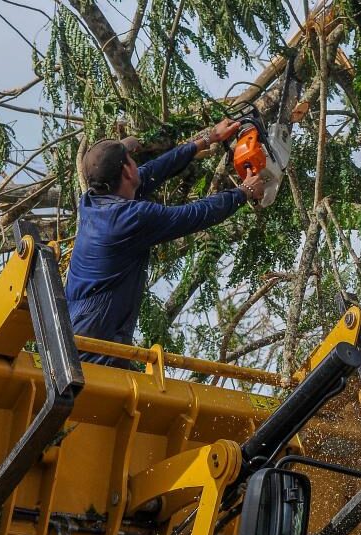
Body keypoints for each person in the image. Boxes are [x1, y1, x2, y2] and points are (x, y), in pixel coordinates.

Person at [65, 120, 266, 368]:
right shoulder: (128, 220)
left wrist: (207, 139)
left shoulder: (94, 201)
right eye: (131, 158)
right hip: (95, 349)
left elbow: (153, 171)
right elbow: (194, 215)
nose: (137, 163)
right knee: (147, 399)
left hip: (81, 339)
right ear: (127, 172)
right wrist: (243, 191)